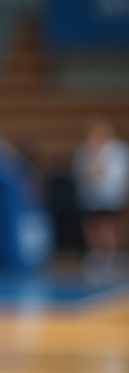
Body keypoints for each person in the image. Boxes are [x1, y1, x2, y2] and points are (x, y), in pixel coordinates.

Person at [73, 117, 128, 274]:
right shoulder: (84, 150)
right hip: (91, 197)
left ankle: (111, 257)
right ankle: (97, 256)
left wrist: (99, 166)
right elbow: (80, 172)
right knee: (92, 226)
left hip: (110, 196)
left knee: (107, 227)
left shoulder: (118, 150)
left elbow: (117, 175)